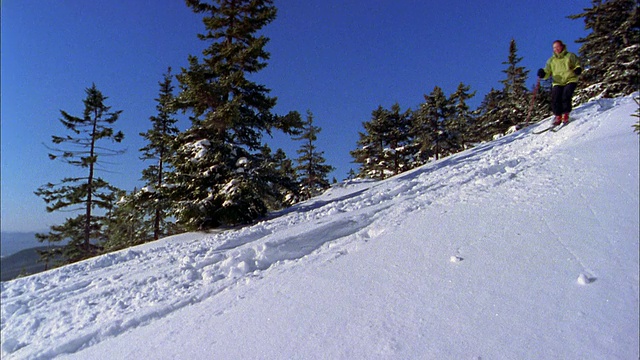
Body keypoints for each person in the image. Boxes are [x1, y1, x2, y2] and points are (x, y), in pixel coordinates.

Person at [537, 40, 582, 125]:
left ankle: (565, 114)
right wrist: (543, 74)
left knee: (565, 95)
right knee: (555, 97)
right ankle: (558, 116)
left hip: (570, 79)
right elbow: (547, 71)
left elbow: (577, 64)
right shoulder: (551, 60)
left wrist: (577, 69)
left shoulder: (570, 56)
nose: (556, 49)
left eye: (558, 47)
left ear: (562, 46)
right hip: (558, 82)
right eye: (554, 48)